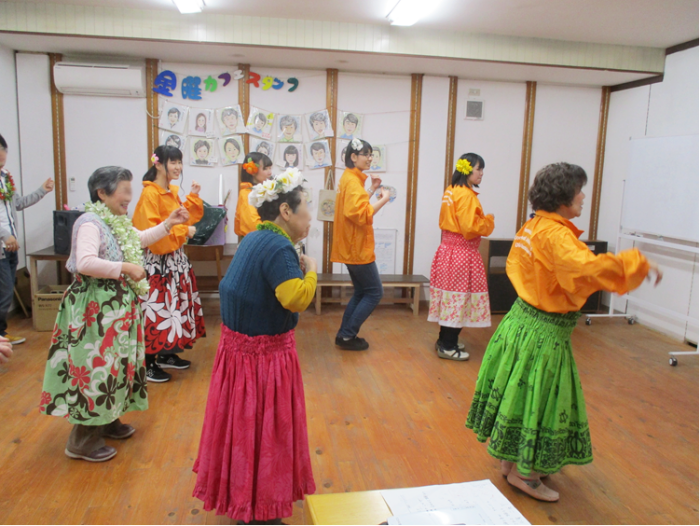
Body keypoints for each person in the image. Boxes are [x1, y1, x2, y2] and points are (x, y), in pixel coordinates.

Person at [465, 162, 662, 502]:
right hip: (543, 333)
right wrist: (638, 264)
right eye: (578, 191)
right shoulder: (556, 235)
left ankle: (510, 462)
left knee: (520, 392)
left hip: (520, 323)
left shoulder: (534, 225)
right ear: (562, 198)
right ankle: (525, 474)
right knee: (540, 398)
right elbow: (588, 267)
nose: (583, 196)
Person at [39, 165, 190, 462]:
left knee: (116, 368)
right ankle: (81, 439)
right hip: (93, 312)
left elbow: (140, 239)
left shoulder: (116, 221)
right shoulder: (89, 223)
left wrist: (169, 223)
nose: (129, 199)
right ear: (102, 193)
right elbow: (84, 262)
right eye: (124, 192)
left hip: (115, 311)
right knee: (95, 369)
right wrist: (125, 268)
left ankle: (107, 421)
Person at [193, 168, 317, 524]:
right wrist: (311, 270)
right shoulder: (279, 246)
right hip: (262, 359)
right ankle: (262, 511)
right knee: (268, 434)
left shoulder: (253, 238)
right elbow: (294, 298)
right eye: (305, 207)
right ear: (286, 212)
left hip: (238, 354)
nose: (310, 215)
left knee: (244, 432)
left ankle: (244, 499)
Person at [132, 145, 205, 383]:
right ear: (158, 164)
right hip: (158, 264)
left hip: (173, 261)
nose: (178, 167)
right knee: (157, 310)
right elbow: (156, 238)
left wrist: (192, 198)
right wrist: (184, 231)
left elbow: (183, 219)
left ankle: (165, 353)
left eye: (179, 162)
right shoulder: (150, 195)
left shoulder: (168, 191)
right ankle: (148, 363)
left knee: (172, 308)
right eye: (172, 162)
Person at [428, 154, 494, 361]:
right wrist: (488, 221)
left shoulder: (451, 190)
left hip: (448, 251)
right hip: (462, 255)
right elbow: (470, 228)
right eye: (478, 169)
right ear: (467, 170)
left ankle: (444, 340)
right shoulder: (467, 195)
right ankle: (448, 345)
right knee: (458, 299)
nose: (481, 173)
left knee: (450, 299)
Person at [331, 138, 391, 351]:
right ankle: (347, 335)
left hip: (351, 245)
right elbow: (361, 213)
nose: (370, 158)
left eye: (371, 154)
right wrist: (385, 198)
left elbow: (354, 206)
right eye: (366, 154)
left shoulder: (350, 178)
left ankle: (344, 335)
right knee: (374, 292)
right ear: (353, 157)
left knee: (361, 292)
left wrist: (372, 190)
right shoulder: (352, 180)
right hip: (356, 248)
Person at [0, 132, 54, 345]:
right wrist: (5, 235)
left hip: (10, 246)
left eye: (3, 160)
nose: (2, 164)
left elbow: (18, 203)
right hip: (3, 244)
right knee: (4, 295)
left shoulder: (5, 178)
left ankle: (2, 334)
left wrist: (42, 191)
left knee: (5, 293)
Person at [234, 152, 272, 237]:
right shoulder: (246, 194)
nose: (270, 172)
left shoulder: (264, 190)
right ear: (253, 171)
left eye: (270, 168)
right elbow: (253, 226)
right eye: (265, 169)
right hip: (256, 242)